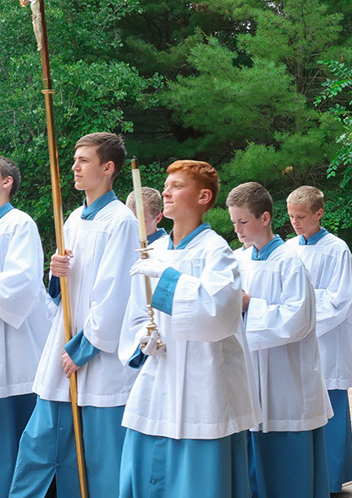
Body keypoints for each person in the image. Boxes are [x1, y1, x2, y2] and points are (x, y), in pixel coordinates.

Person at [118, 160, 258, 498]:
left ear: (203, 196)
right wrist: (144, 338)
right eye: (166, 185)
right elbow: (137, 313)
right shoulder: (154, 251)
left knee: (198, 481)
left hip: (203, 381)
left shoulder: (217, 252)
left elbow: (219, 312)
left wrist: (166, 278)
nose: (166, 191)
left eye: (177, 186)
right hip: (159, 381)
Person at [11, 133, 139, 498]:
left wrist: (82, 350)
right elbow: (63, 293)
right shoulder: (72, 218)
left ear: (108, 167)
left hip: (93, 358)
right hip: (63, 350)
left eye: (83, 160)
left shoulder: (121, 222)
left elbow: (116, 296)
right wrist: (57, 272)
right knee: (40, 446)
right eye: (74, 160)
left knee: (100, 459)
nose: (74, 167)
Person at [227, 182, 330, 498]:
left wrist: (249, 305)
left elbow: (296, 320)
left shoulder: (289, 261)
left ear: (265, 218)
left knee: (288, 470)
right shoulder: (239, 260)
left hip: (286, 380)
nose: (238, 229)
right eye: (234, 223)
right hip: (250, 373)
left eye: (243, 222)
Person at [285, 186, 352, 493]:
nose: (295, 222)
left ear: (319, 213)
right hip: (294, 341)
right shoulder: (287, 248)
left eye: (301, 216)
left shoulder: (337, 248)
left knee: (331, 411)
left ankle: (329, 480)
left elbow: (341, 300)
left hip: (325, 343)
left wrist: (303, 316)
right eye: (290, 216)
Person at [0, 157, 52, 497]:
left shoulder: (19, 224)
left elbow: (23, 282)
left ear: (6, 182)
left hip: (14, 349)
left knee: (12, 437)